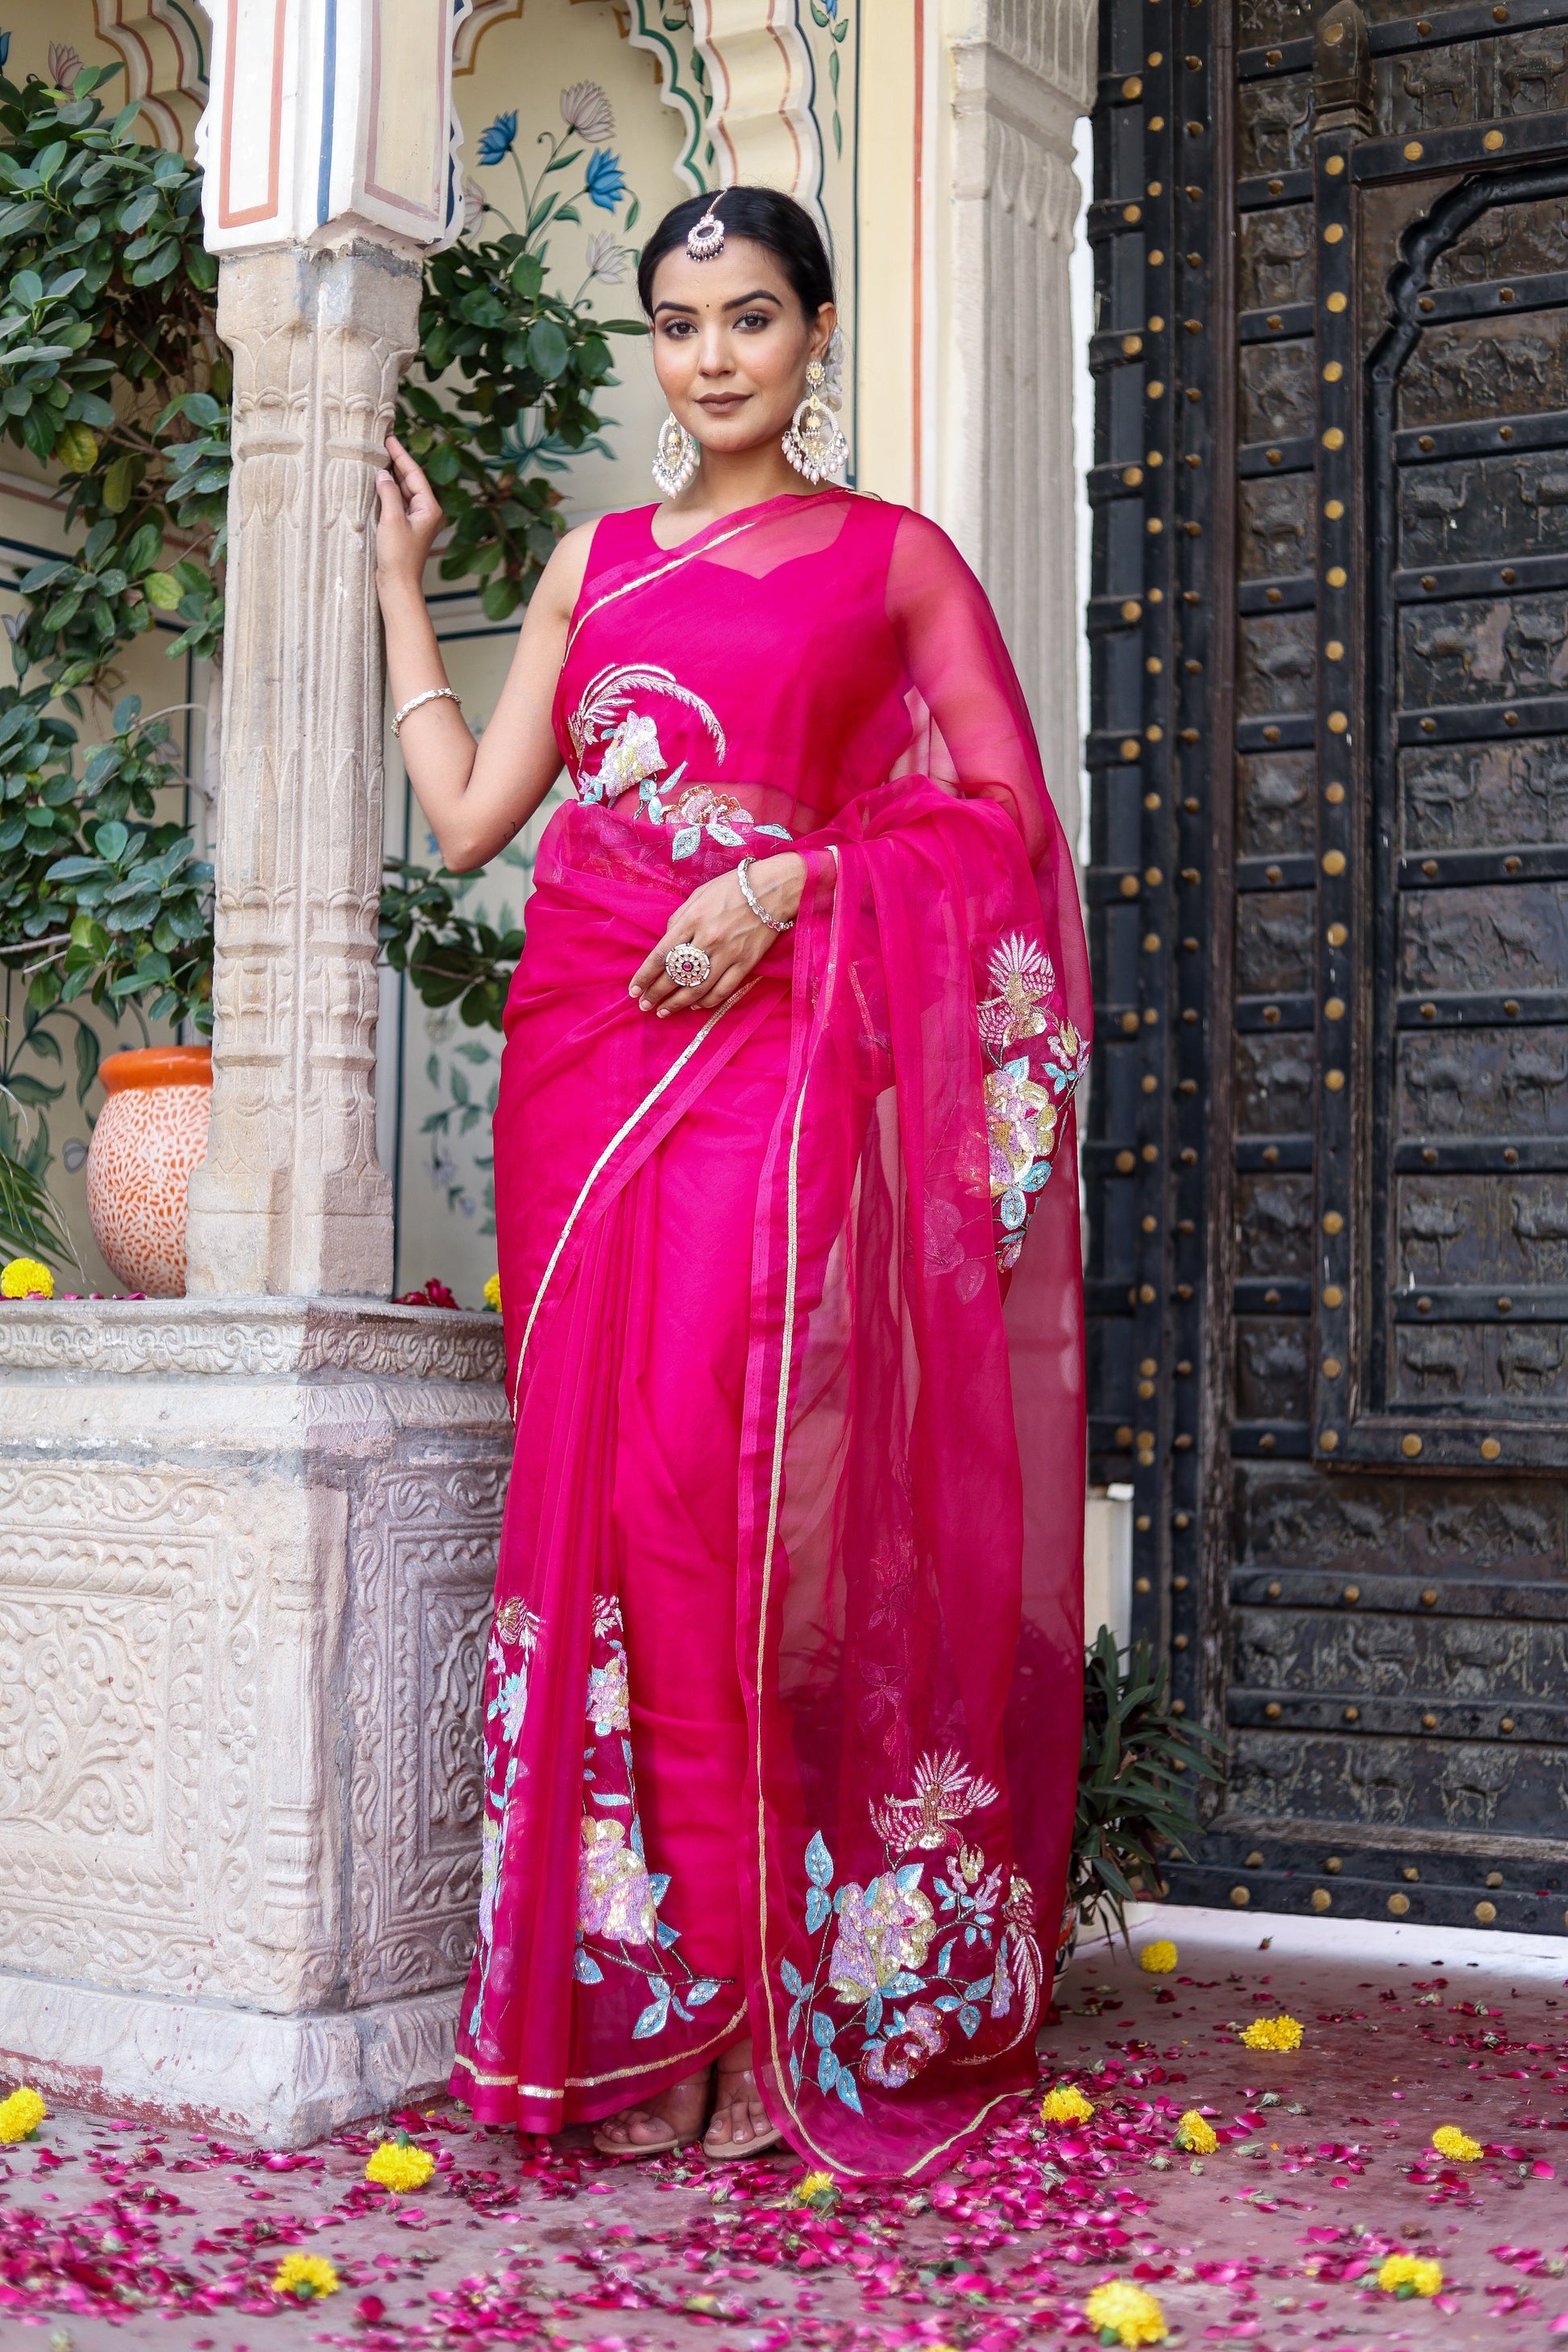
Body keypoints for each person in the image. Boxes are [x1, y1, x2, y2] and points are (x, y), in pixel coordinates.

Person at [374, 185, 1091, 2181]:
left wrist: (799, 882)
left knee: (711, 1499)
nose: (710, 359)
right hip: (578, 1064)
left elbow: (1006, 820)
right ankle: (627, 1996)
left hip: (761, 1064)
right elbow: (462, 824)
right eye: (678, 324)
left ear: (818, 331)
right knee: (594, 1506)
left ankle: (741, 1995)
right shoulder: (590, 566)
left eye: (750, 318)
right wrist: (398, 587)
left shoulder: (890, 563)